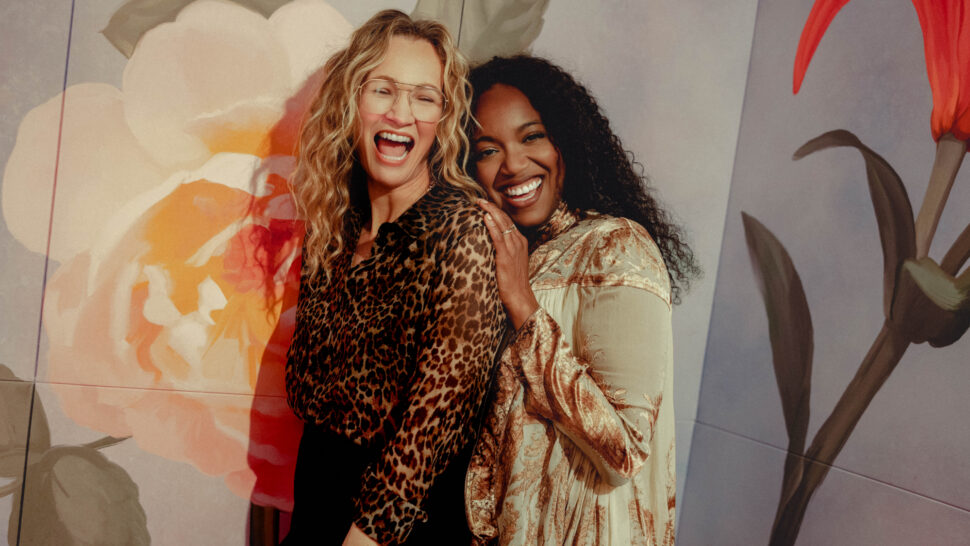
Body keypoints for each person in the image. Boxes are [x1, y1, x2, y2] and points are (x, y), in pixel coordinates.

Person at [282, 10, 505, 546]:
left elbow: (430, 432)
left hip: (396, 532)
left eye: (424, 97)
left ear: (443, 118)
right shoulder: (334, 227)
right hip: (314, 513)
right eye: (382, 90)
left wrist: (363, 538)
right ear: (351, 100)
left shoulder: (462, 232)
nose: (401, 114)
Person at [464, 55, 699, 546]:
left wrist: (525, 308)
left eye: (532, 137)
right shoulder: (506, 254)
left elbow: (623, 448)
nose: (513, 165)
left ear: (567, 139)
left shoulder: (617, 246)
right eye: (488, 150)